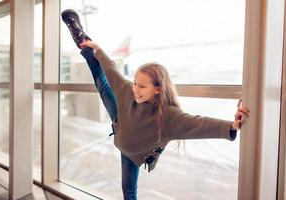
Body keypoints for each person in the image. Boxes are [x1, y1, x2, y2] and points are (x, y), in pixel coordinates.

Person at [61, 9, 250, 200]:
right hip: (121, 118)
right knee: (102, 82)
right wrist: (97, 49)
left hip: (132, 154)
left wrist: (232, 125)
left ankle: (86, 45)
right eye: (135, 83)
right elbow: (111, 70)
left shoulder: (169, 116)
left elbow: (199, 124)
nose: (135, 89)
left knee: (128, 191)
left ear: (158, 89)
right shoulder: (129, 91)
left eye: (142, 86)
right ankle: (83, 42)